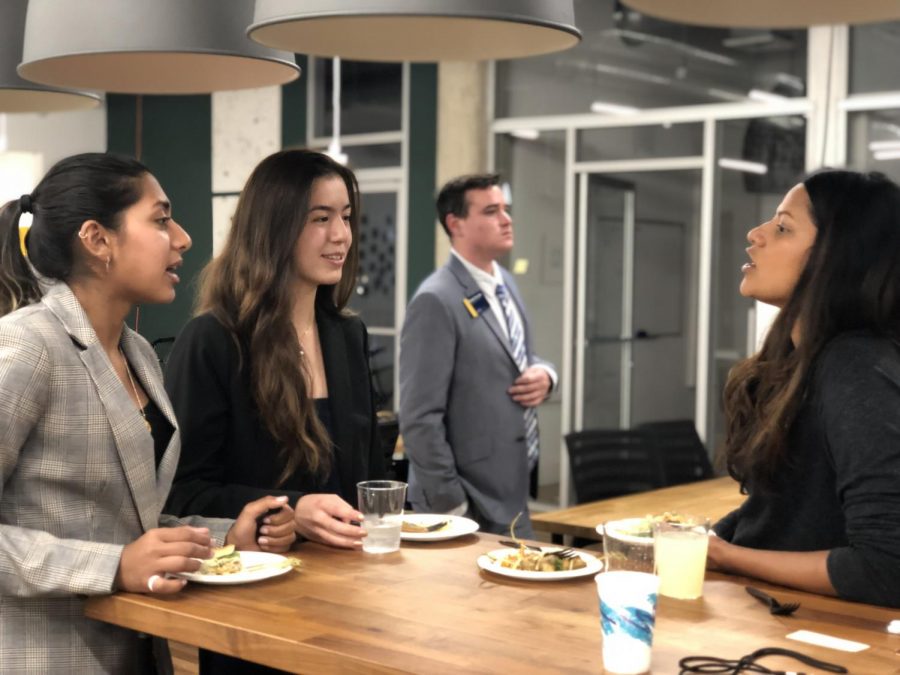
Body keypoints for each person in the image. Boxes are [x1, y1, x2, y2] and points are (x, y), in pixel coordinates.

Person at [0, 153, 296, 674]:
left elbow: (128, 519)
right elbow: (117, 554)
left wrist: (225, 537)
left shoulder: (138, 355)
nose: (181, 238)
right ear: (98, 240)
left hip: (137, 650)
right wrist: (112, 566)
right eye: (160, 220)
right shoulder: (27, 346)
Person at [164, 148, 384, 545]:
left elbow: (371, 475)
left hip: (349, 578)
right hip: (256, 583)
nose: (341, 235)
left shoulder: (349, 335)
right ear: (273, 227)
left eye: (346, 217)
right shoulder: (212, 341)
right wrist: (292, 512)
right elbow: (180, 494)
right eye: (320, 218)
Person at [709, 169, 900, 607]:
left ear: (839, 256)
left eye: (782, 228)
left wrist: (729, 556)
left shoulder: (856, 367)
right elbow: (790, 507)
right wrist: (714, 538)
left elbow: (887, 566)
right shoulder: (797, 359)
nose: (755, 235)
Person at [399, 174, 557, 538]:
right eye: (491, 211)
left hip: (511, 494)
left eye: (505, 208)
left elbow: (520, 356)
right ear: (456, 224)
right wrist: (453, 507)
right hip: (465, 506)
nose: (506, 219)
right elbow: (420, 417)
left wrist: (547, 377)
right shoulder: (435, 299)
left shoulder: (504, 281)